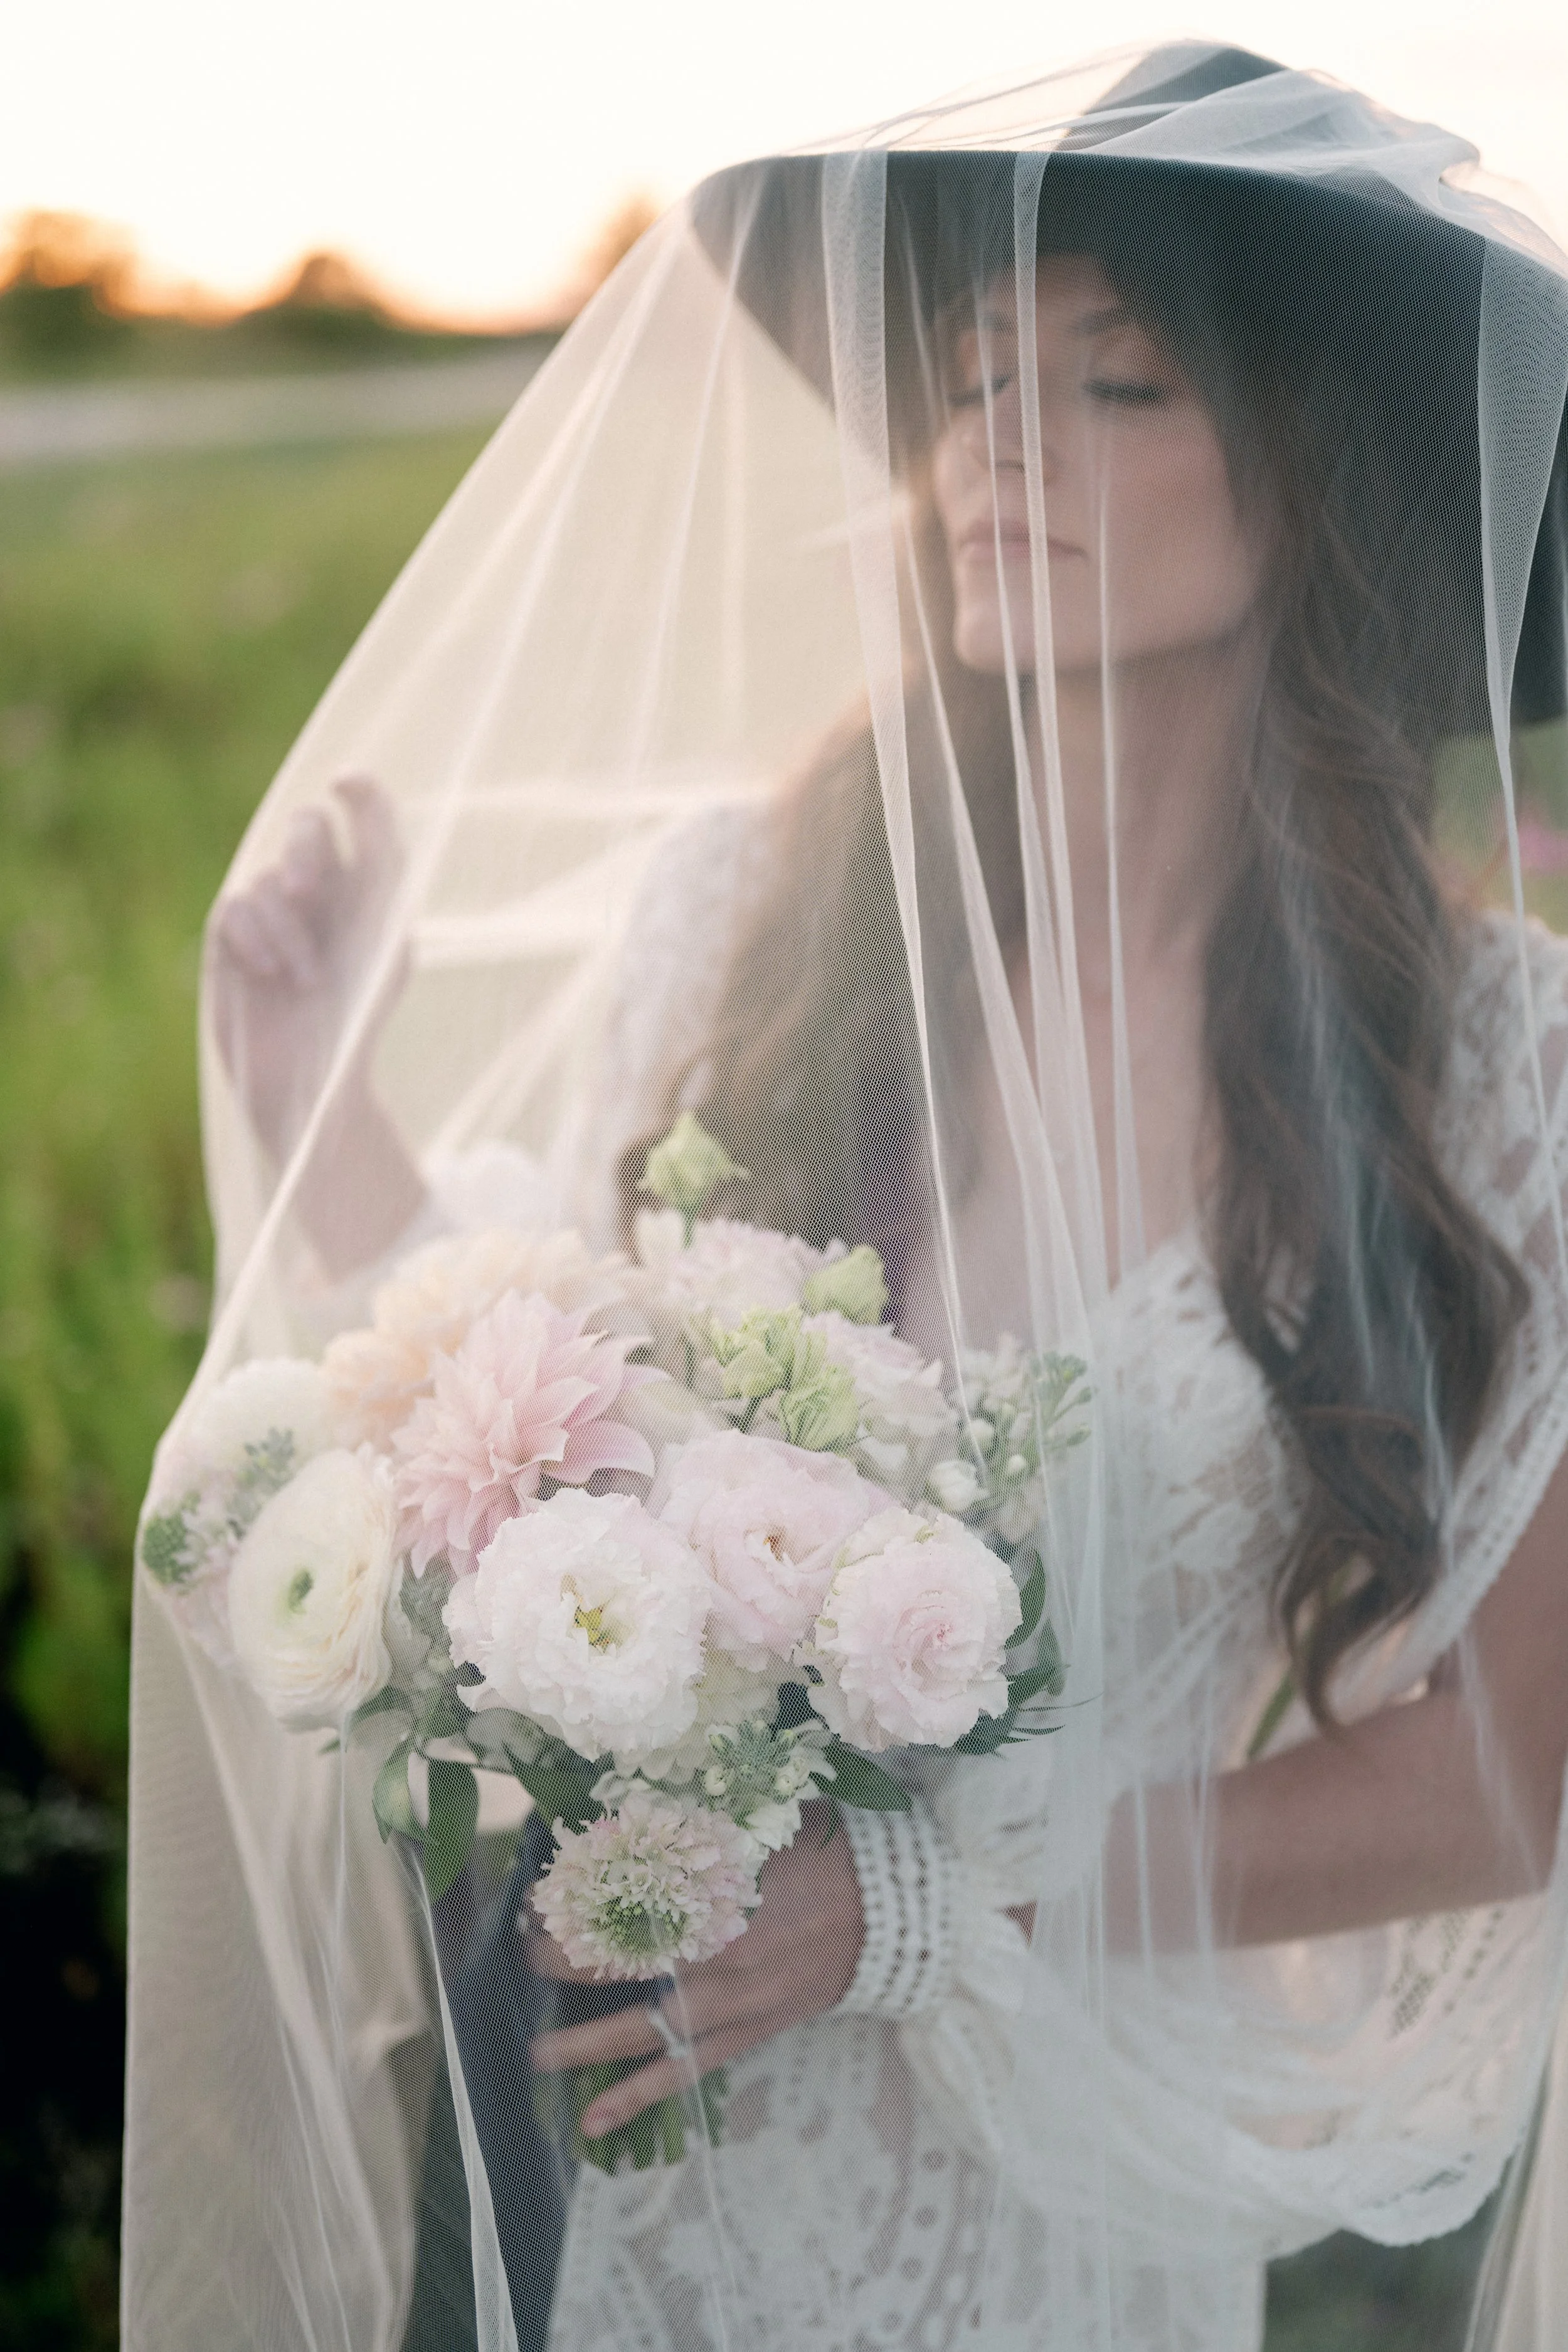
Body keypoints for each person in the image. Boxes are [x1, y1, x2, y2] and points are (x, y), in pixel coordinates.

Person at [127, 40, 1568, 2352]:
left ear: (1322, 486)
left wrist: (907, 1896)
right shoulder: (751, 918)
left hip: (1050, 2184)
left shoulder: (1498, 1069)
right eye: (975, 372)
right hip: (651, 2149)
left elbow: (1497, 1780)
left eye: (1113, 381)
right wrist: (318, 1095)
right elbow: (565, 1465)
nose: (995, 438)